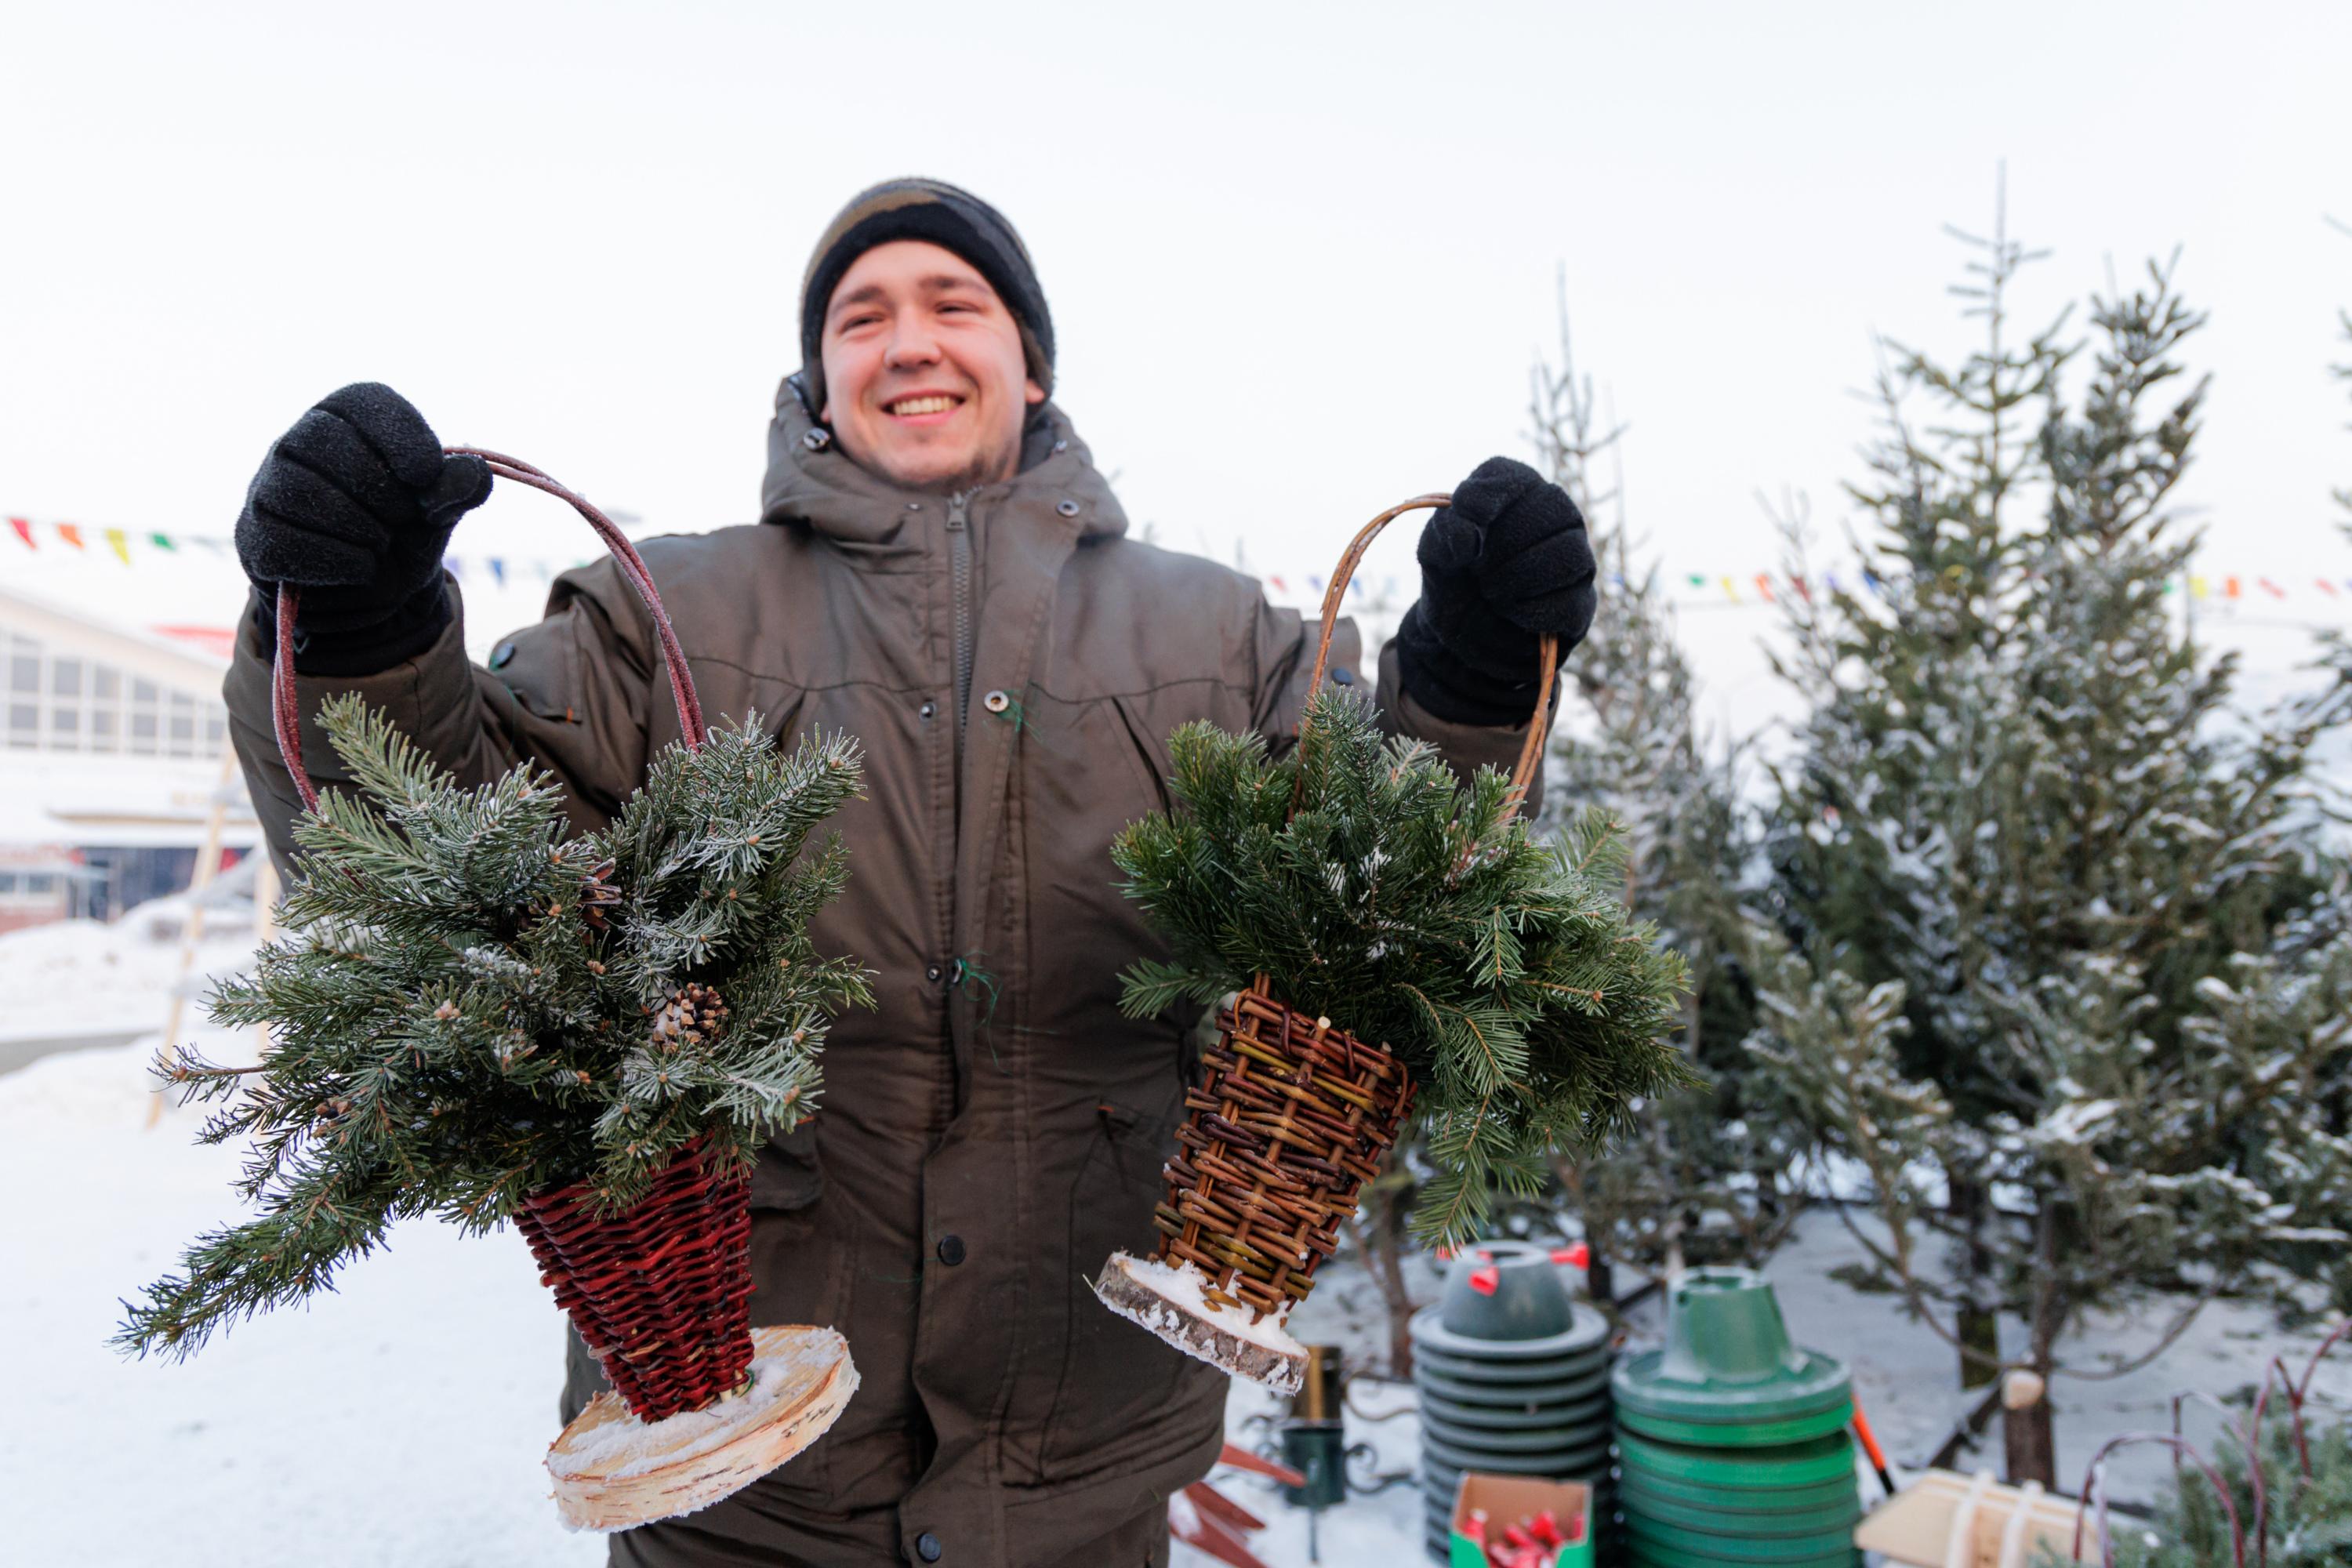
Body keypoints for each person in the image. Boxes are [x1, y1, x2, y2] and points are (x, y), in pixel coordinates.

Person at [224, 177, 1598, 1568]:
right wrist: (358, 630)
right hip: (734, 1475)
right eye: (862, 317)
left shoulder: (1220, 637)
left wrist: (1473, 683)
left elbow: (1400, 891)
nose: (911, 341)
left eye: (957, 303)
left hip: (1087, 1473)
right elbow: (446, 868)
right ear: (818, 377)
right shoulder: (666, 616)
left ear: (1031, 359)